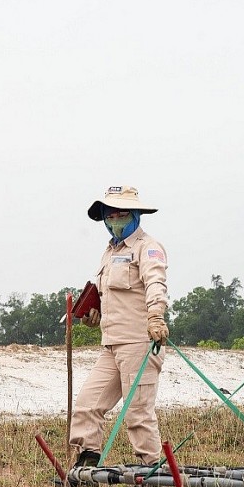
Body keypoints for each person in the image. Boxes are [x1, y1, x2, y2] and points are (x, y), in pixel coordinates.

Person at [69, 185, 170, 469]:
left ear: (136, 215)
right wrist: (93, 317)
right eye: (110, 215)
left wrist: (155, 316)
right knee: (87, 405)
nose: (115, 220)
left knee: (138, 413)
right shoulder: (109, 252)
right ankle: (87, 462)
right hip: (111, 344)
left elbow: (155, 284)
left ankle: (150, 470)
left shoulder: (147, 248)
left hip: (139, 342)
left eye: (121, 214)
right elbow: (110, 298)